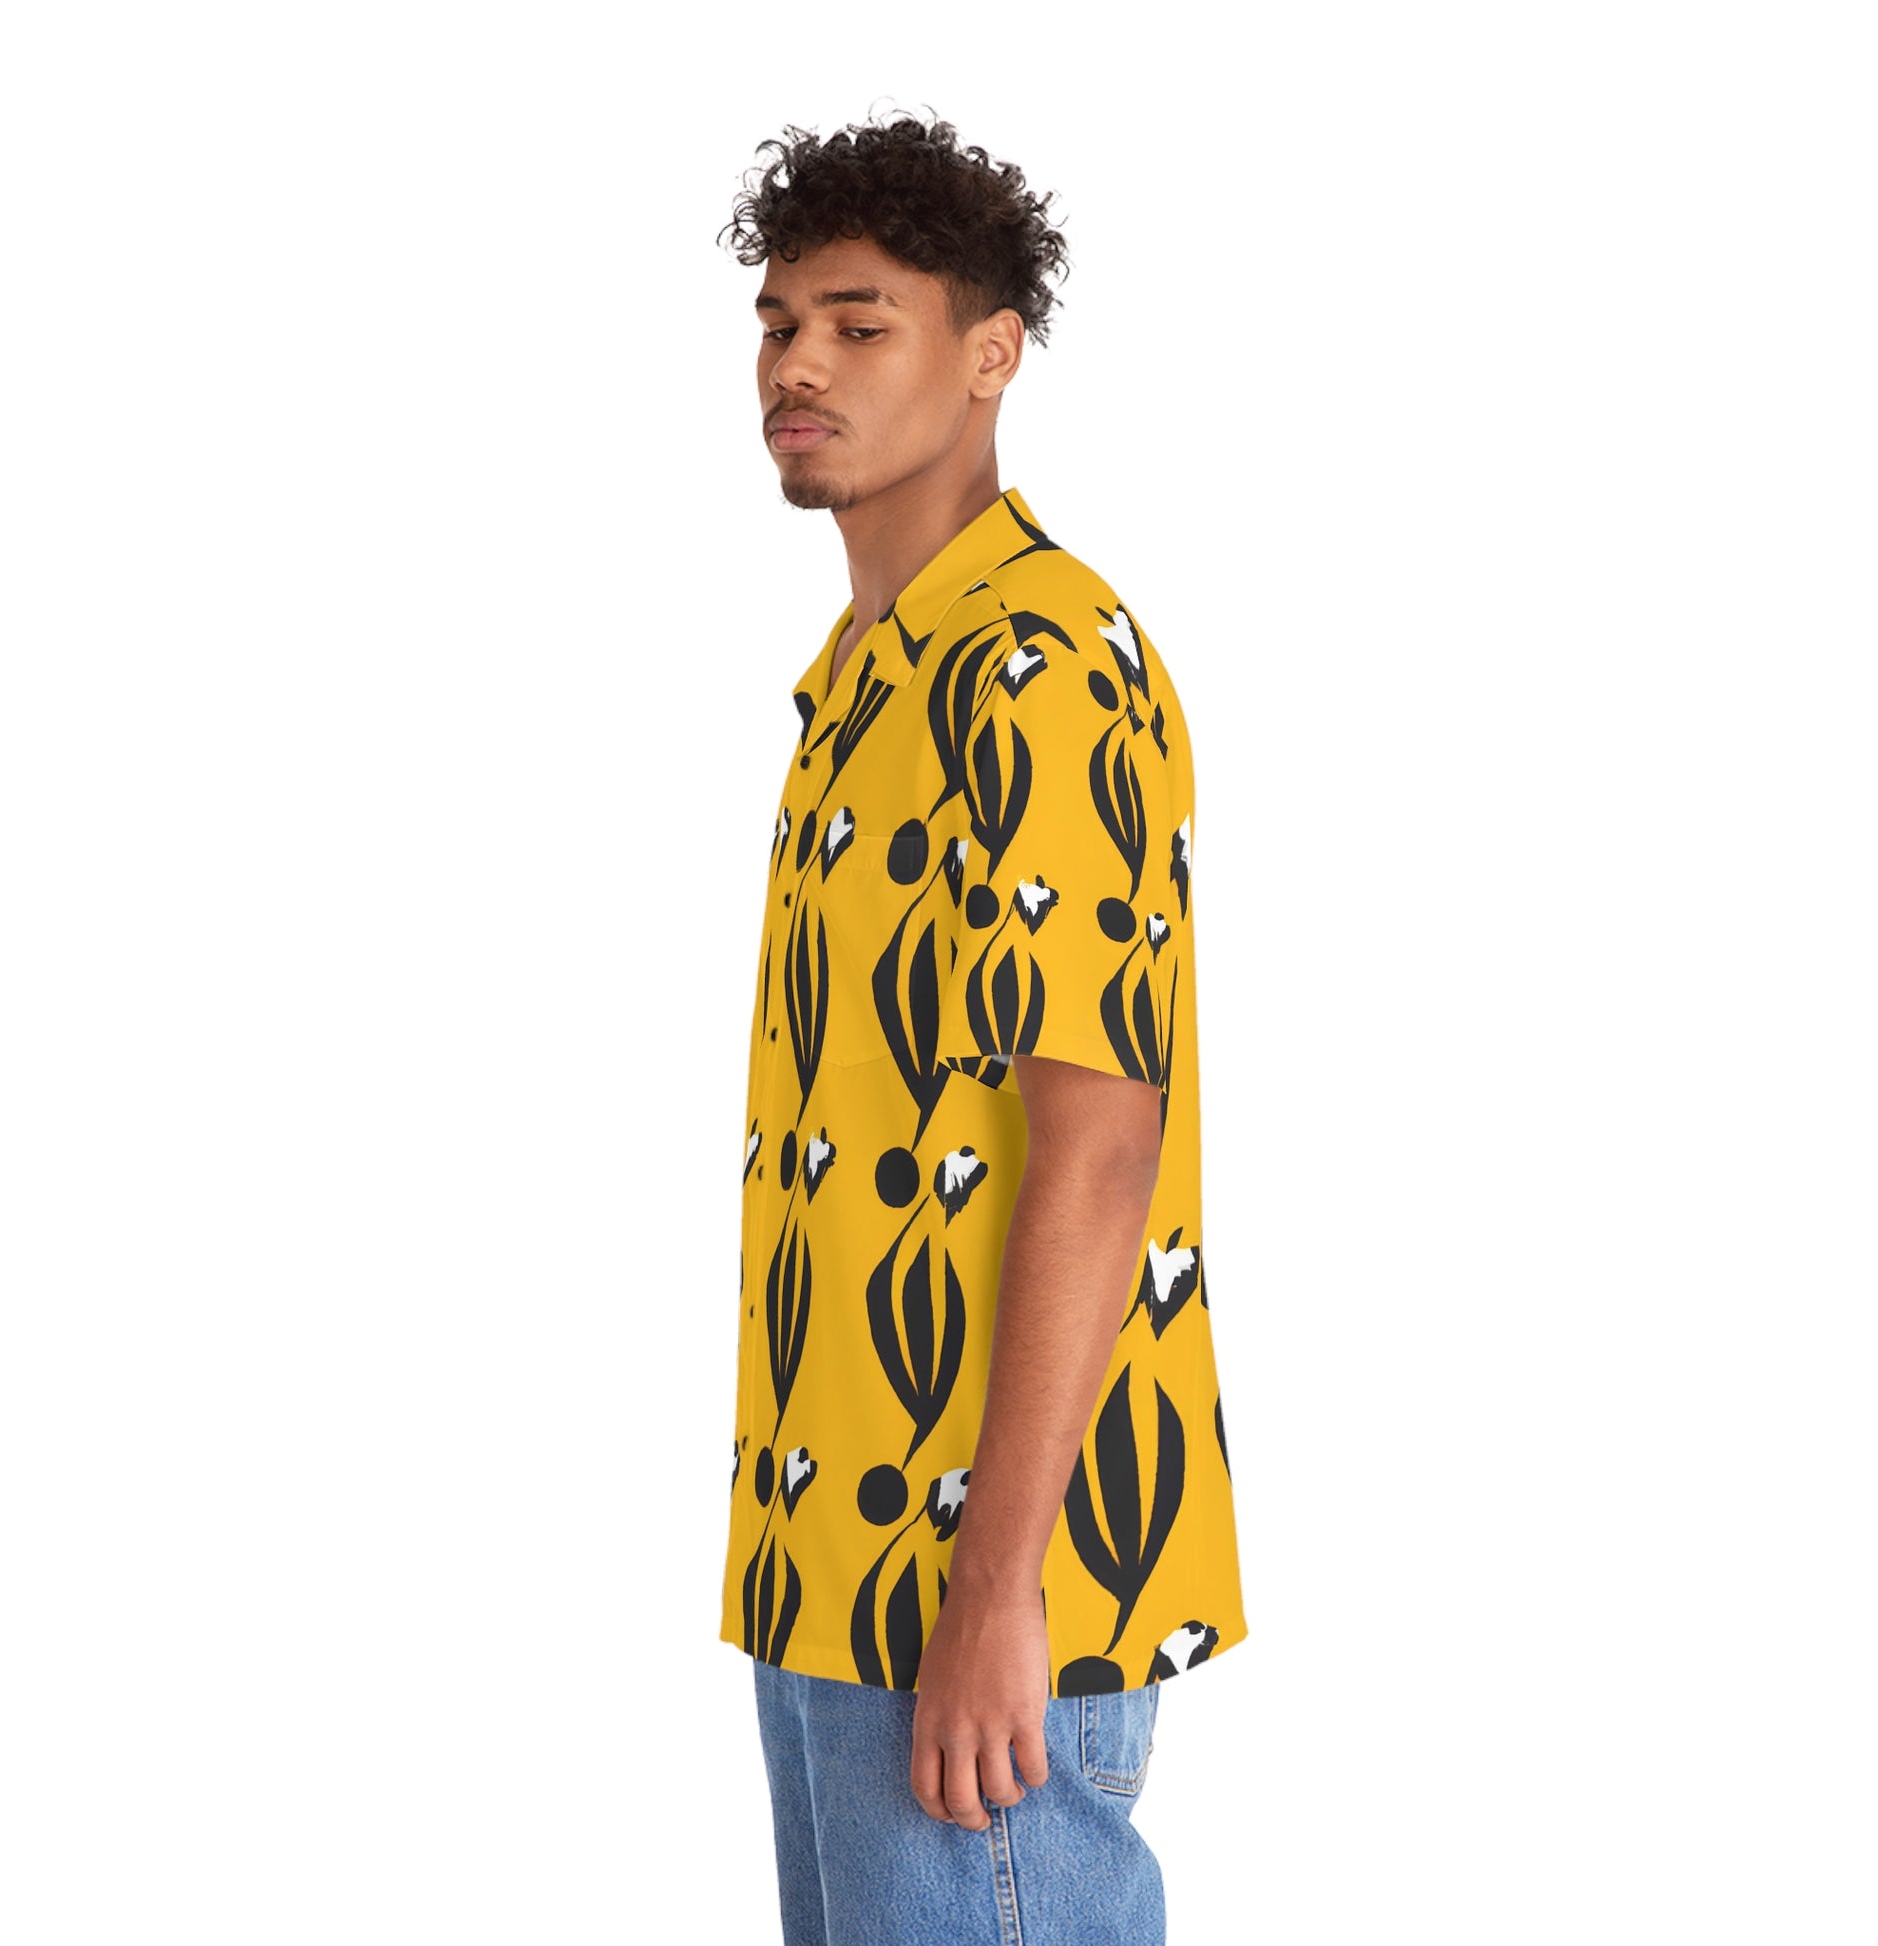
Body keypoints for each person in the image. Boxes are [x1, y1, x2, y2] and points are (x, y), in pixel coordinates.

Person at [716, 114, 1248, 1946]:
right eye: (778, 323)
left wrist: (995, 1588)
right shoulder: (869, 680)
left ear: (989, 353)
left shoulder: (1038, 667)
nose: (797, 364)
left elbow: (1100, 1147)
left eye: (859, 325)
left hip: (976, 1579)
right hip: (827, 1556)